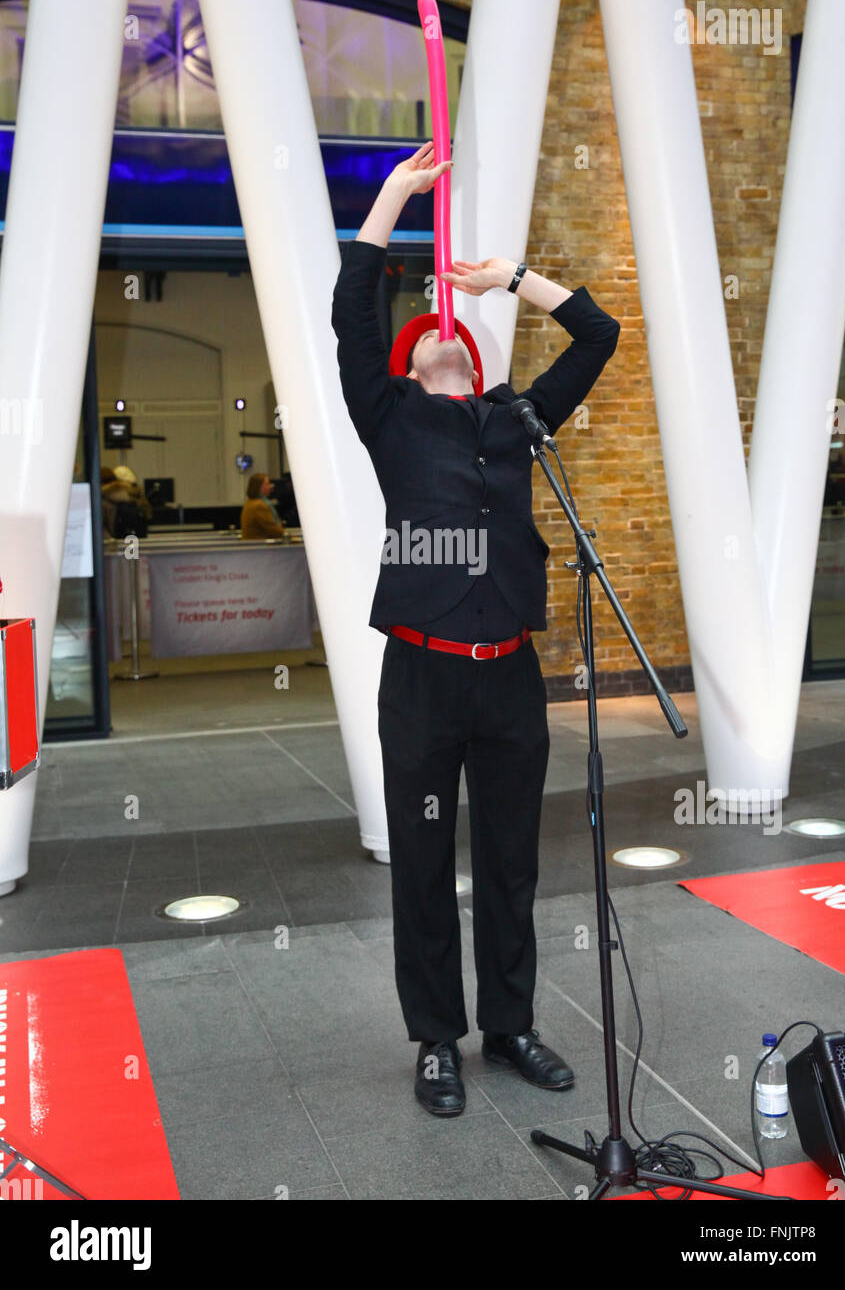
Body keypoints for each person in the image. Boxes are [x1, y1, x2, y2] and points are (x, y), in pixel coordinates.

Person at [331, 142, 621, 1117]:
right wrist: (386, 200)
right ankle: (433, 1040)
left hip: (507, 678)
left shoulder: (519, 420)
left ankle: (509, 1025)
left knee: (508, 859)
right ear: (406, 366)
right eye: (425, 337)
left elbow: (597, 334)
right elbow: (351, 308)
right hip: (420, 676)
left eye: (456, 331)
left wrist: (513, 279)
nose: (441, 338)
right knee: (421, 864)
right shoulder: (389, 417)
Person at [241, 473, 285, 539]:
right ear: (259, 487)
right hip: (259, 546)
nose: (270, 486)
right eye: (267, 484)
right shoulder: (259, 505)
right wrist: (289, 536)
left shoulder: (250, 502)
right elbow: (273, 529)